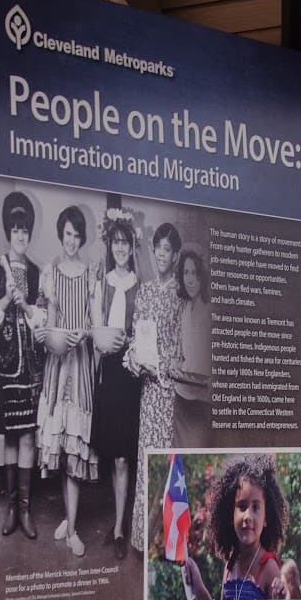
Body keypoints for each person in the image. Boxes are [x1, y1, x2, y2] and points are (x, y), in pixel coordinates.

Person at [36, 204, 97, 556]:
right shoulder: (51, 273)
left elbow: (94, 322)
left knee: (75, 444)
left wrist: (84, 334)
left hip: (81, 363)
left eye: (77, 235)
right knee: (61, 446)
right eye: (67, 234)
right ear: (61, 235)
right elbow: (49, 323)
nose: (72, 240)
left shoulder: (89, 274)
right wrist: (51, 336)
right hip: (59, 366)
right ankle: (69, 518)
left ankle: (72, 528)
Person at [126, 222, 183, 552]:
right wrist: (134, 358)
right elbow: (136, 336)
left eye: (167, 249)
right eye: (157, 248)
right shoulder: (145, 291)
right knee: (146, 460)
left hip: (169, 391)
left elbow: (179, 348)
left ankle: (167, 543)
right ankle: (144, 540)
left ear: (175, 255)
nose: (161, 254)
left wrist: (159, 368)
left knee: (168, 463)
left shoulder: (180, 294)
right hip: (148, 394)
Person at [0, 191, 46, 539]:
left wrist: (26, 306)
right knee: (10, 435)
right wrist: (4, 300)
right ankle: (11, 509)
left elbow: (41, 319)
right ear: (8, 232)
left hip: (31, 368)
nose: (20, 235)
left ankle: (25, 510)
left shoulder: (37, 273)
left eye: (25, 229)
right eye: (15, 229)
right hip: (4, 364)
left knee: (28, 435)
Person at [89, 211, 140, 559]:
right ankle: (119, 521)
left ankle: (120, 528)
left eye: (125, 243)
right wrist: (105, 341)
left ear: (132, 247)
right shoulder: (101, 283)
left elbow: (145, 331)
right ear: (110, 246)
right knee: (113, 455)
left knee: (123, 457)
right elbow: (96, 331)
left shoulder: (139, 284)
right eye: (116, 242)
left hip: (129, 373)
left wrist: (130, 342)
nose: (120, 248)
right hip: (108, 370)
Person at [182, 453, 288, 600]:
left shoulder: (268, 567)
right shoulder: (231, 565)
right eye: (242, 507)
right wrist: (198, 585)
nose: (248, 516)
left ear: (266, 518)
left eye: (256, 508)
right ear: (230, 514)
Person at [172, 247, 212, 447]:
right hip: (182, 396)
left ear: (202, 276)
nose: (190, 280)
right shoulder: (185, 309)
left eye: (195, 273)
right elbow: (185, 354)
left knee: (197, 451)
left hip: (203, 398)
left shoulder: (211, 309)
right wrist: (175, 366)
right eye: (186, 272)